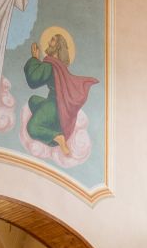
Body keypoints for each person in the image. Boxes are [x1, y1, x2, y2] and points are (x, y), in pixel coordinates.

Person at [22, 27, 95, 155]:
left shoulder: (50, 65)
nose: (49, 42)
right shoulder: (59, 66)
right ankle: (50, 124)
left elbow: (33, 80)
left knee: (32, 128)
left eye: (52, 40)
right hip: (57, 106)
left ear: (57, 47)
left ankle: (57, 137)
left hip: (54, 105)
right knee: (33, 100)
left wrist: (34, 58)